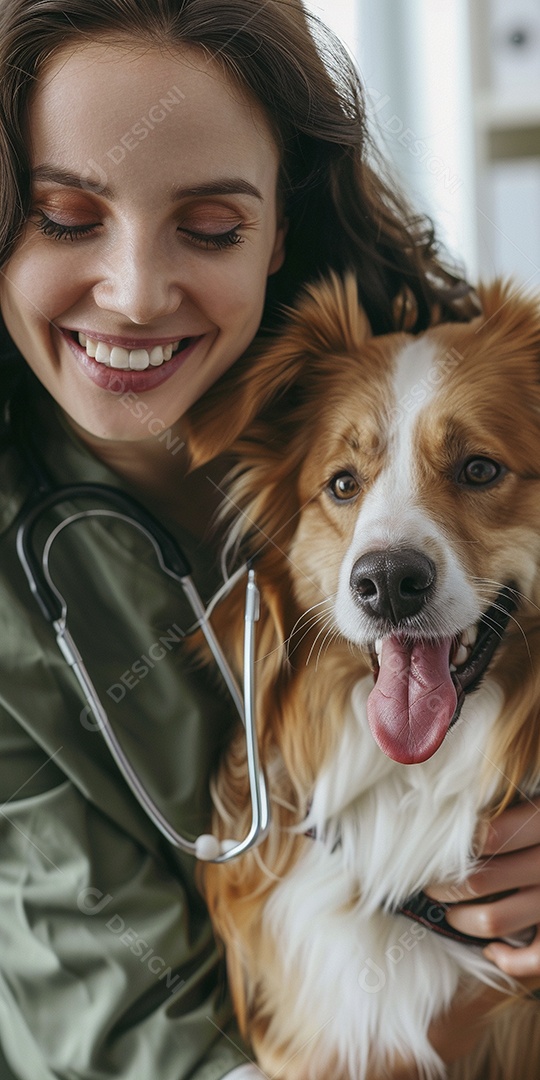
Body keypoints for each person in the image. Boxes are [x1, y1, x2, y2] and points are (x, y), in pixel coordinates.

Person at [0, 1, 538, 1077]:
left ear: (281, 223)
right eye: (64, 216)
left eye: (210, 226)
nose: (136, 294)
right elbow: (105, 1025)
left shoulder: (460, 345)